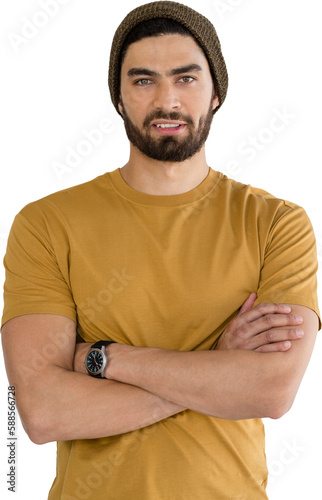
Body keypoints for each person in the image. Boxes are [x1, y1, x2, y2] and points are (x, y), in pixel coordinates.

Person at [1, 1, 320, 499]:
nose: (167, 101)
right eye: (144, 80)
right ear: (120, 97)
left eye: (186, 78)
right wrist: (217, 366)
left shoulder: (276, 223)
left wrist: (103, 359)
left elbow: (271, 391)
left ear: (217, 93)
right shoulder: (46, 224)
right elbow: (43, 413)